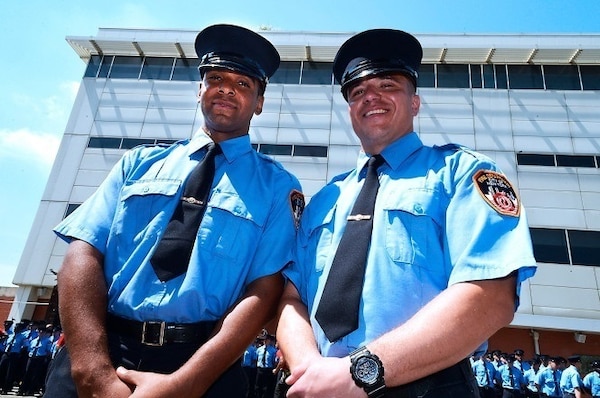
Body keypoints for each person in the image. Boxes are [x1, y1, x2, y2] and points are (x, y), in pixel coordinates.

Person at [44, 24, 303, 398]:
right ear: (200, 90)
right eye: (215, 78)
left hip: (203, 364)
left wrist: (188, 384)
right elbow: (82, 252)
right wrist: (92, 371)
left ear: (260, 103)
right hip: (102, 351)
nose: (227, 88)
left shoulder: (278, 188)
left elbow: (264, 290)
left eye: (244, 84)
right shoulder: (138, 163)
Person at [276, 28, 537, 398]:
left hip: (427, 385)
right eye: (358, 91)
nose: (372, 97)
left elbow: (491, 294)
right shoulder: (325, 199)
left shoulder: (462, 173)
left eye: (387, 85)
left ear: (415, 102)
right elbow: (291, 298)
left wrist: (359, 373)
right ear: (350, 110)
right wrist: (312, 370)